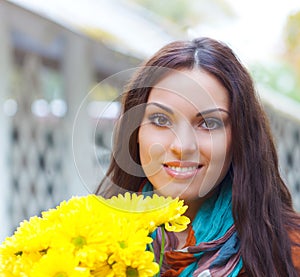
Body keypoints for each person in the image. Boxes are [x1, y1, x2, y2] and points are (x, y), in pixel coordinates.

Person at [96, 37, 300, 276]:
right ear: (136, 130)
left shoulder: (288, 249)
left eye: (208, 123)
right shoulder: (92, 241)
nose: (182, 146)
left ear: (240, 137)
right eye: (161, 120)